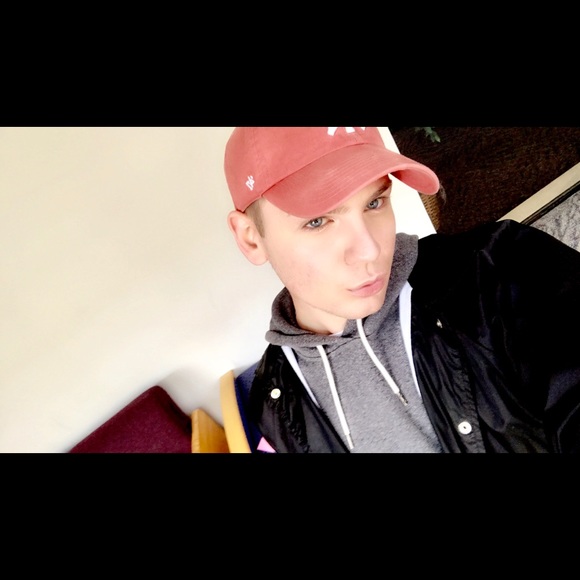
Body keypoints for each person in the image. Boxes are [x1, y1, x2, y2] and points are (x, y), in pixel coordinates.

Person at [224, 126, 580, 453]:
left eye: (374, 202)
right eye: (318, 221)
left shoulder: (501, 267)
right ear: (251, 239)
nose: (370, 250)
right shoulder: (275, 406)